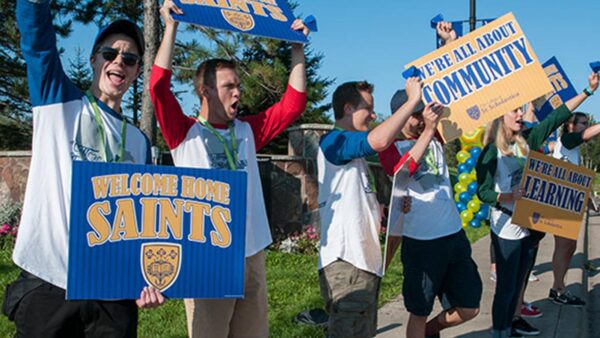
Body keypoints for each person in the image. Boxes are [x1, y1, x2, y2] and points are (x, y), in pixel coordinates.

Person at [149, 1, 310, 337]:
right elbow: (158, 89)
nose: (238, 92)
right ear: (204, 90)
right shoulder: (183, 132)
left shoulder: (248, 130)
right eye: (228, 87)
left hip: (252, 253)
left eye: (238, 85)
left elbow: (293, 105)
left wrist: (296, 48)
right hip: (208, 259)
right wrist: (172, 27)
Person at [5, 0, 165, 337]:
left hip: (113, 296)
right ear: (94, 59)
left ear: (136, 72)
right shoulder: (58, 101)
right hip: (51, 282)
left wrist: (147, 280)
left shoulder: (139, 142)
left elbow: (144, 224)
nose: (119, 60)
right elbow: (38, 44)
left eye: (130, 58)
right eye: (110, 53)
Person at [476, 72, 599, 338]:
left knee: (519, 281)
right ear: (501, 117)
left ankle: (511, 324)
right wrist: (508, 196)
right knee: (506, 287)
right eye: (515, 111)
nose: (520, 114)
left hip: (526, 222)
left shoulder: (527, 140)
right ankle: (500, 331)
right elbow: (482, 192)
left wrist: (589, 91)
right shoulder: (490, 152)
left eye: (521, 110)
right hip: (505, 225)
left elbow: (557, 116)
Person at [317, 76, 423, 337]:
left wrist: (388, 209)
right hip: (347, 262)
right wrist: (412, 102)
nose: (374, 115)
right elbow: (378, 141)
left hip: (363, 263)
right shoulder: (334, 141)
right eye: (368, 108)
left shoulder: (353, 158)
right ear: (348, 109)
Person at [378, 94, 482, 338]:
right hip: (421, 242)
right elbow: (405, 169)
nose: (422, 119)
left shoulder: (432, 131)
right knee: (419, 310)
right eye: (415, 115)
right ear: (400, 115)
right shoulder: (389, 146)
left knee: (470, 307)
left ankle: (430, 331)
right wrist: (430, 129)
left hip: (453, 235)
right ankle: (421, 329)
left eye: (422, 112)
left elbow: (457, 102)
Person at [549, 108, 600, 307]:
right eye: (583, 123)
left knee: (570, 246)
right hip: (560, 202)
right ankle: (558, 289)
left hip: (569, 201)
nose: (586, 127)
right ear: (570, 125)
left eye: (587, 123)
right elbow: (586, 135)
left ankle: (558, 286)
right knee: (564, 246)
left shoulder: (573, 148)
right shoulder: (568, 140)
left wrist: (588, 201)